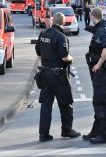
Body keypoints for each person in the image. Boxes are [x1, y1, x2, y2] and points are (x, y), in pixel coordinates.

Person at [35, 12, 81, 142]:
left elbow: (38, 52)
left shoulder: (43, 34)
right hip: (58, 75)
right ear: (63, 22)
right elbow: (64, 57)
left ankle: (43, 134)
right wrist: (71, 58)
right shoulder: (60, 36)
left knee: (46, 105)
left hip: (45, 74)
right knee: (66, 103)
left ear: (53, 21)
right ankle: (66, 130)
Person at [82, 8, 106, 144]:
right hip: (99, 72)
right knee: (97, 101)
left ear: (92, 16)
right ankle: (96, 130)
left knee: (101, 102)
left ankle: (105, 135)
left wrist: (99, 64)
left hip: (101, 72)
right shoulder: (100, 28)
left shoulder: (102, 30)